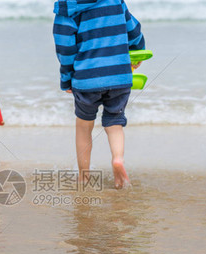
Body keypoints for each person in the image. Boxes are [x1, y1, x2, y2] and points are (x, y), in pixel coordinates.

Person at [53, 0, 145, 189]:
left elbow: (65, 48)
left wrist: (66, 78)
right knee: (115, 122)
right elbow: (133, 30)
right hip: (119, 76)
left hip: (87, 79)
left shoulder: (66, 7)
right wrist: (137, 51)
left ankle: (84, 177)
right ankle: (118, 160)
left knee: (84, 127)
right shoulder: (116, 1)